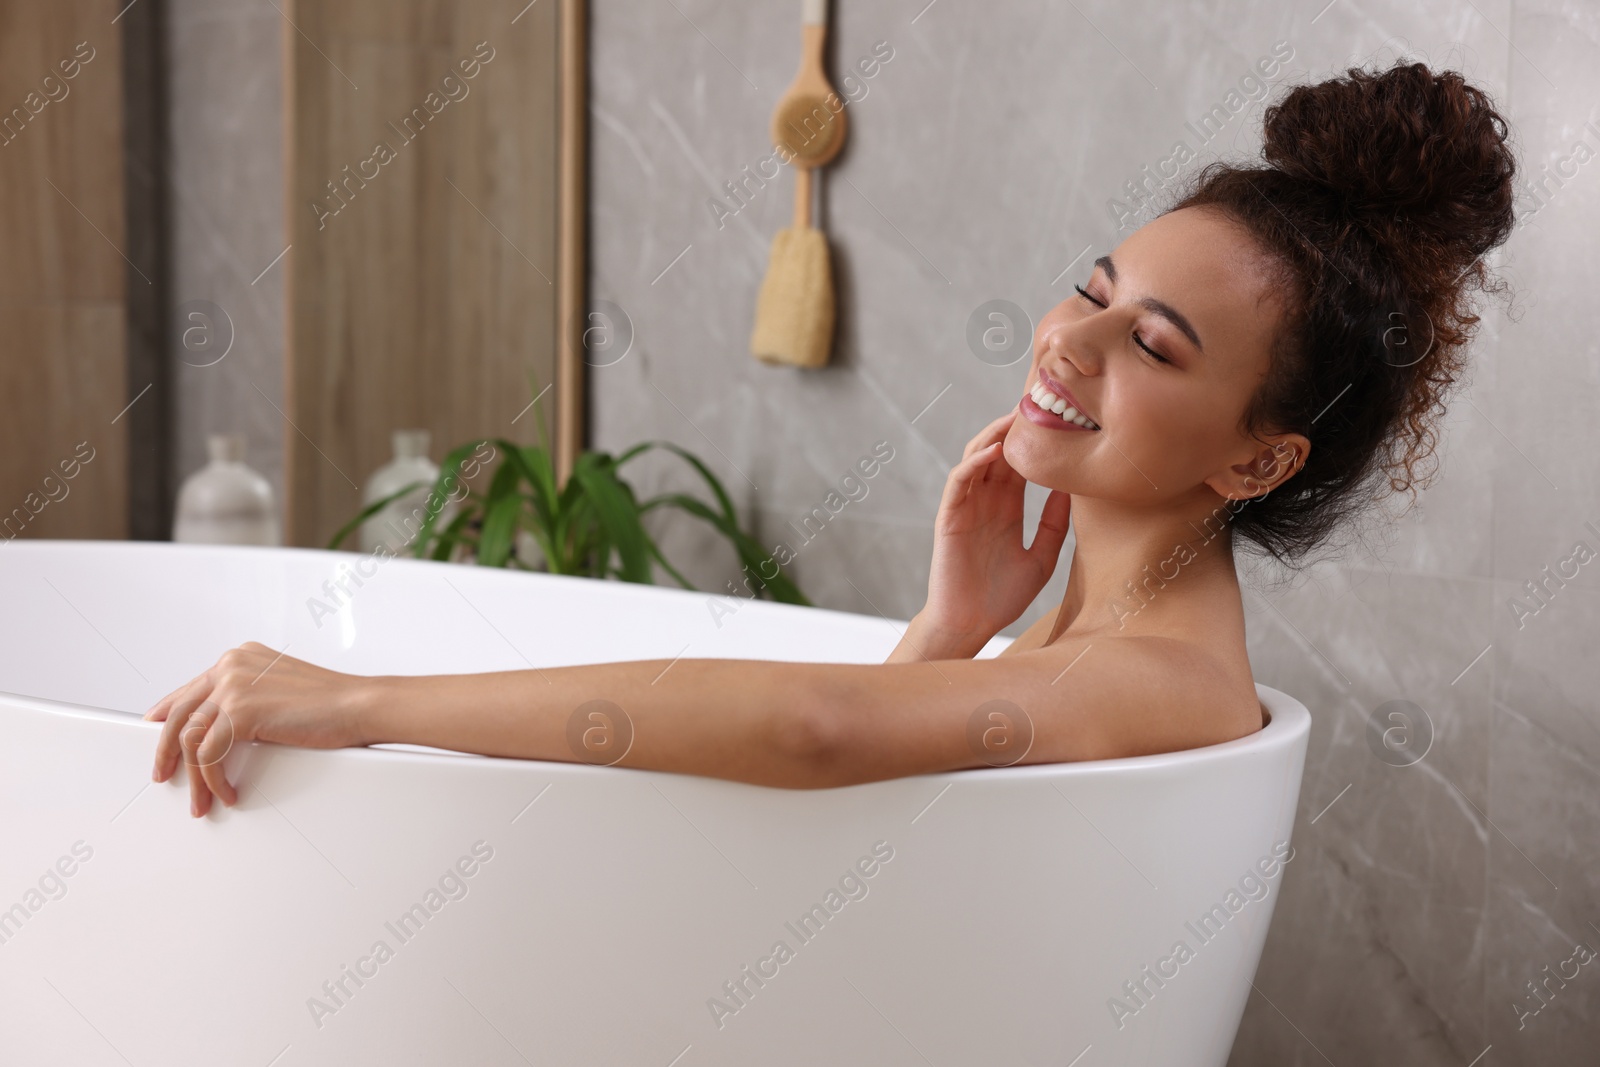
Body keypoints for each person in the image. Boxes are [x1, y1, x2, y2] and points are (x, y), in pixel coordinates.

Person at [147, 61, 1516, 816]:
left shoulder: (1162, 679)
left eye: (1153, 345)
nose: (1067, 342)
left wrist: (358, 704)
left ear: (1258, 458)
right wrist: (944, 631)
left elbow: (809, 730)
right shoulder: (1082, 640)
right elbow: (860, 793)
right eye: (1093, 291)